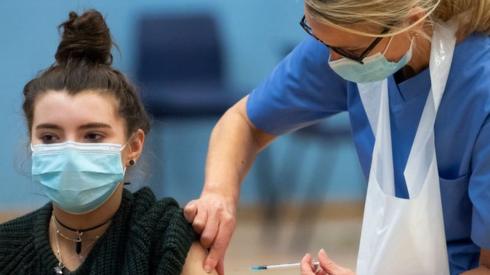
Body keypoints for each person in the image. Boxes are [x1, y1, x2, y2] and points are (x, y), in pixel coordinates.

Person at [183, 0, 490, 274]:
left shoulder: (480, 90)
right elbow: (244, 122)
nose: (331, 62)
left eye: (350, 53)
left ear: (411, 21)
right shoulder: (347, 39)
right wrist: (218, 195)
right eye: (320, 40)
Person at [0, 10, 217, 275]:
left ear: (134, 146)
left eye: (93, 135)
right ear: (31, 142)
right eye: (49, 137)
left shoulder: (166, 238)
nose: (71, 153)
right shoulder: (7, 249)